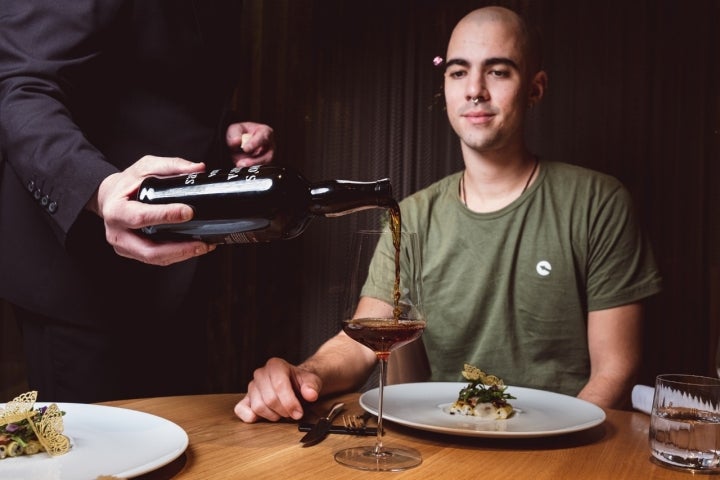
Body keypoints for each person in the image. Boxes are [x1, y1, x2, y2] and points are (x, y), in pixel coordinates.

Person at [235, 5, 663, 422]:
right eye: (459, 72)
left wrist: (554, 456)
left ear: (535, 88)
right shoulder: (414, 216)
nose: (475, 88)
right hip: (448, 444)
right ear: (446, 88)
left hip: (562, 451)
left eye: (497, 71)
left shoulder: (598, 202)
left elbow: (615, 371)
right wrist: (305, 374)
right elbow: (361, 342)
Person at [0, 1, 275, 402]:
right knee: (91, 461)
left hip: (178, 275)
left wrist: (224, 135)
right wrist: (100, 187)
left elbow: (148, 79)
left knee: (174, 453)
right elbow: (21, 89)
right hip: (79, 278)